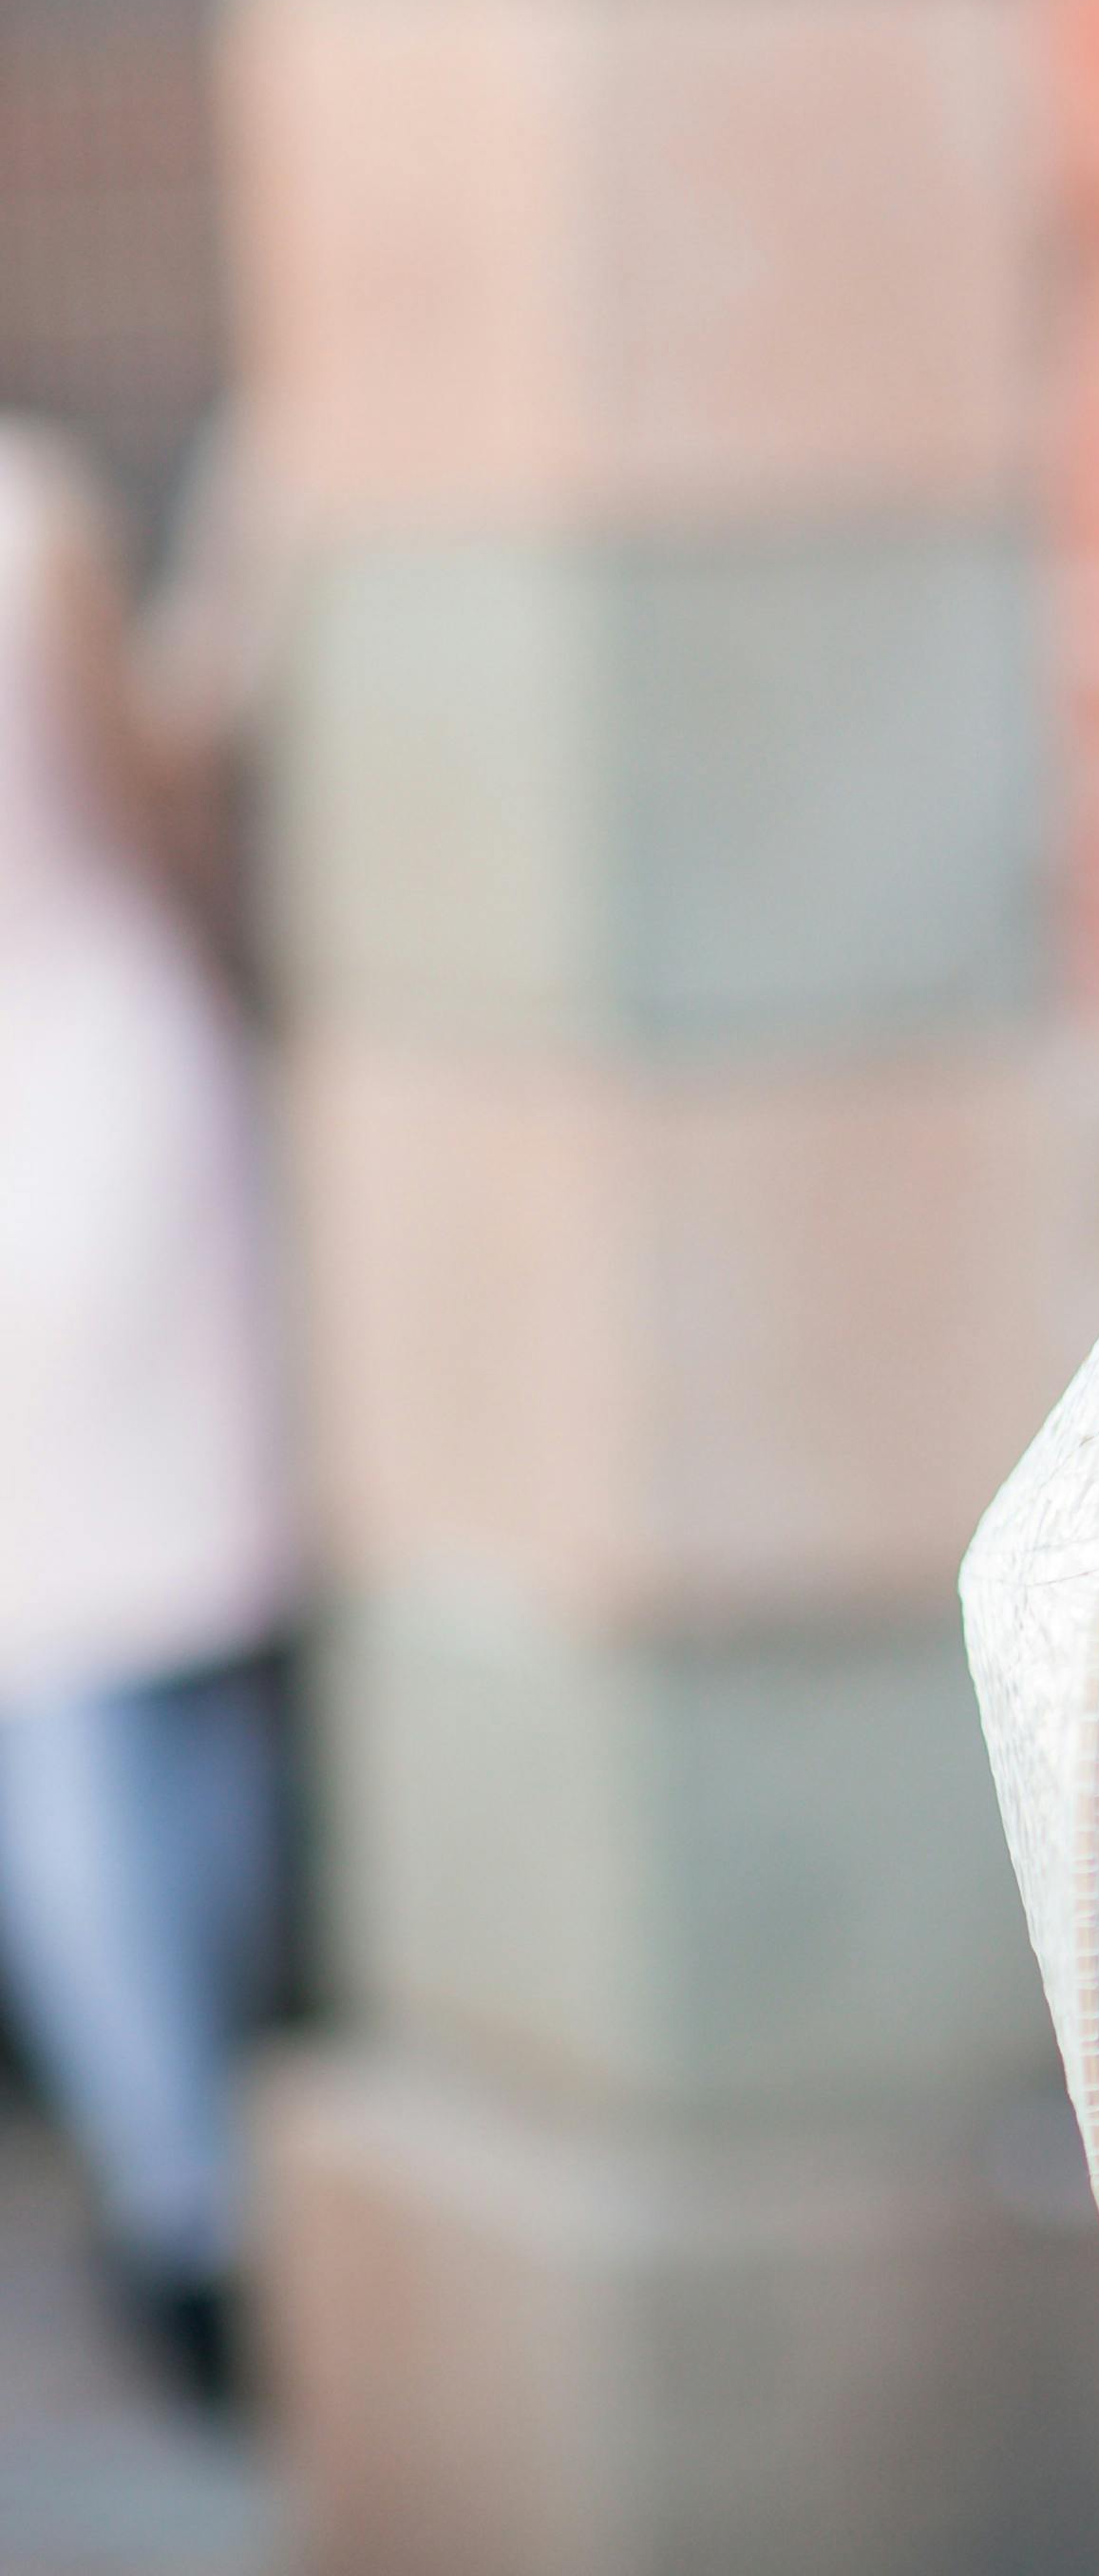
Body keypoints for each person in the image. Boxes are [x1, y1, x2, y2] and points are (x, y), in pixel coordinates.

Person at [0, 419, 294, 2411]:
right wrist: (236, 605)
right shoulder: (33, 517)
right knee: (179, 1653)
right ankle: (201, 2189)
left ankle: (161, 2171)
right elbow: (160, 803)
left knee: (56, 1675)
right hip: (100, 1098)